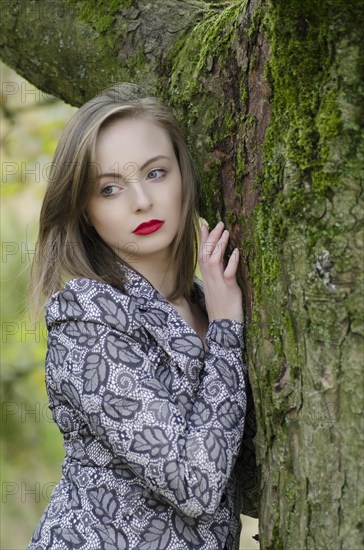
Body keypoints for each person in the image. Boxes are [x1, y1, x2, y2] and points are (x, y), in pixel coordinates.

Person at [28, 85, 258, 550]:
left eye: (156, 173)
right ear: (85, 211)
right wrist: (227, 331)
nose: (141, 201)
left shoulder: (203, 301)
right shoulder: (87, 315)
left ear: (183, 177)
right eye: (109, 188)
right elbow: (194, 486)